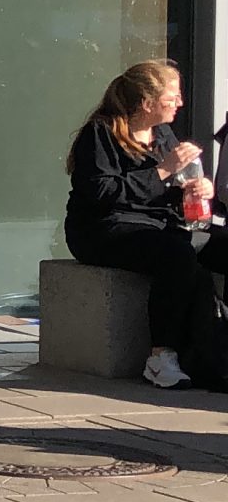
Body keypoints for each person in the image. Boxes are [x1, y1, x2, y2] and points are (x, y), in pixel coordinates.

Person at [64, 59, 226, 388]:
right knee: (176, 256)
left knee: (222, 247)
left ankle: (217, 350)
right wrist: (163, 170)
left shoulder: (162, 134)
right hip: (105, 228)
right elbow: (102, 193)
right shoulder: (101, 133)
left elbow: (167, 187)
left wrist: (196, 189)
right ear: (147, 102)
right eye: (172, 96)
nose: (180, 102)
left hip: (159, 223)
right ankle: (161, 355)